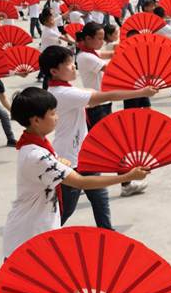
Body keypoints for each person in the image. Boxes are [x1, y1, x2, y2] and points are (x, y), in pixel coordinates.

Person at [2, 87, 149, 257]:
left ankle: (106, 230)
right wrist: (127, 176)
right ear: (36, 120)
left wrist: (58, 162)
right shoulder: (37, 155)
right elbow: (80, 182)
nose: (57, 117)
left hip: (40, 228)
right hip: (28, 234)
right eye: (52, 113)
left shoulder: (38, 147)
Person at [40, 45, 156, 230]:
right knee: (65, 210)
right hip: (69, 160)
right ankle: (40, 239)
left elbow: (100, 93)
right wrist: (140, 92)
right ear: (54, 71)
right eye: (70, 66)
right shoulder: (64, 93)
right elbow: (104, 96)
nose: (74, 68)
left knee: (100, 199)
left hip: (83, 155)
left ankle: (107, 233)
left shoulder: (62, 89)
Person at [76, 22, 147, 197]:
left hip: (101, 105)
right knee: (117, 146)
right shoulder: (87, 57)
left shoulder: (91, 52)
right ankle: (125, 184)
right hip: (98, 107)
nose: (102, 41)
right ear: (88, 38)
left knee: (97, 146)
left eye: (102, 38)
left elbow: (112, 54)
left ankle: (80, 182)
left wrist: (132, 47)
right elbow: (113, 67)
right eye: (99, 38)